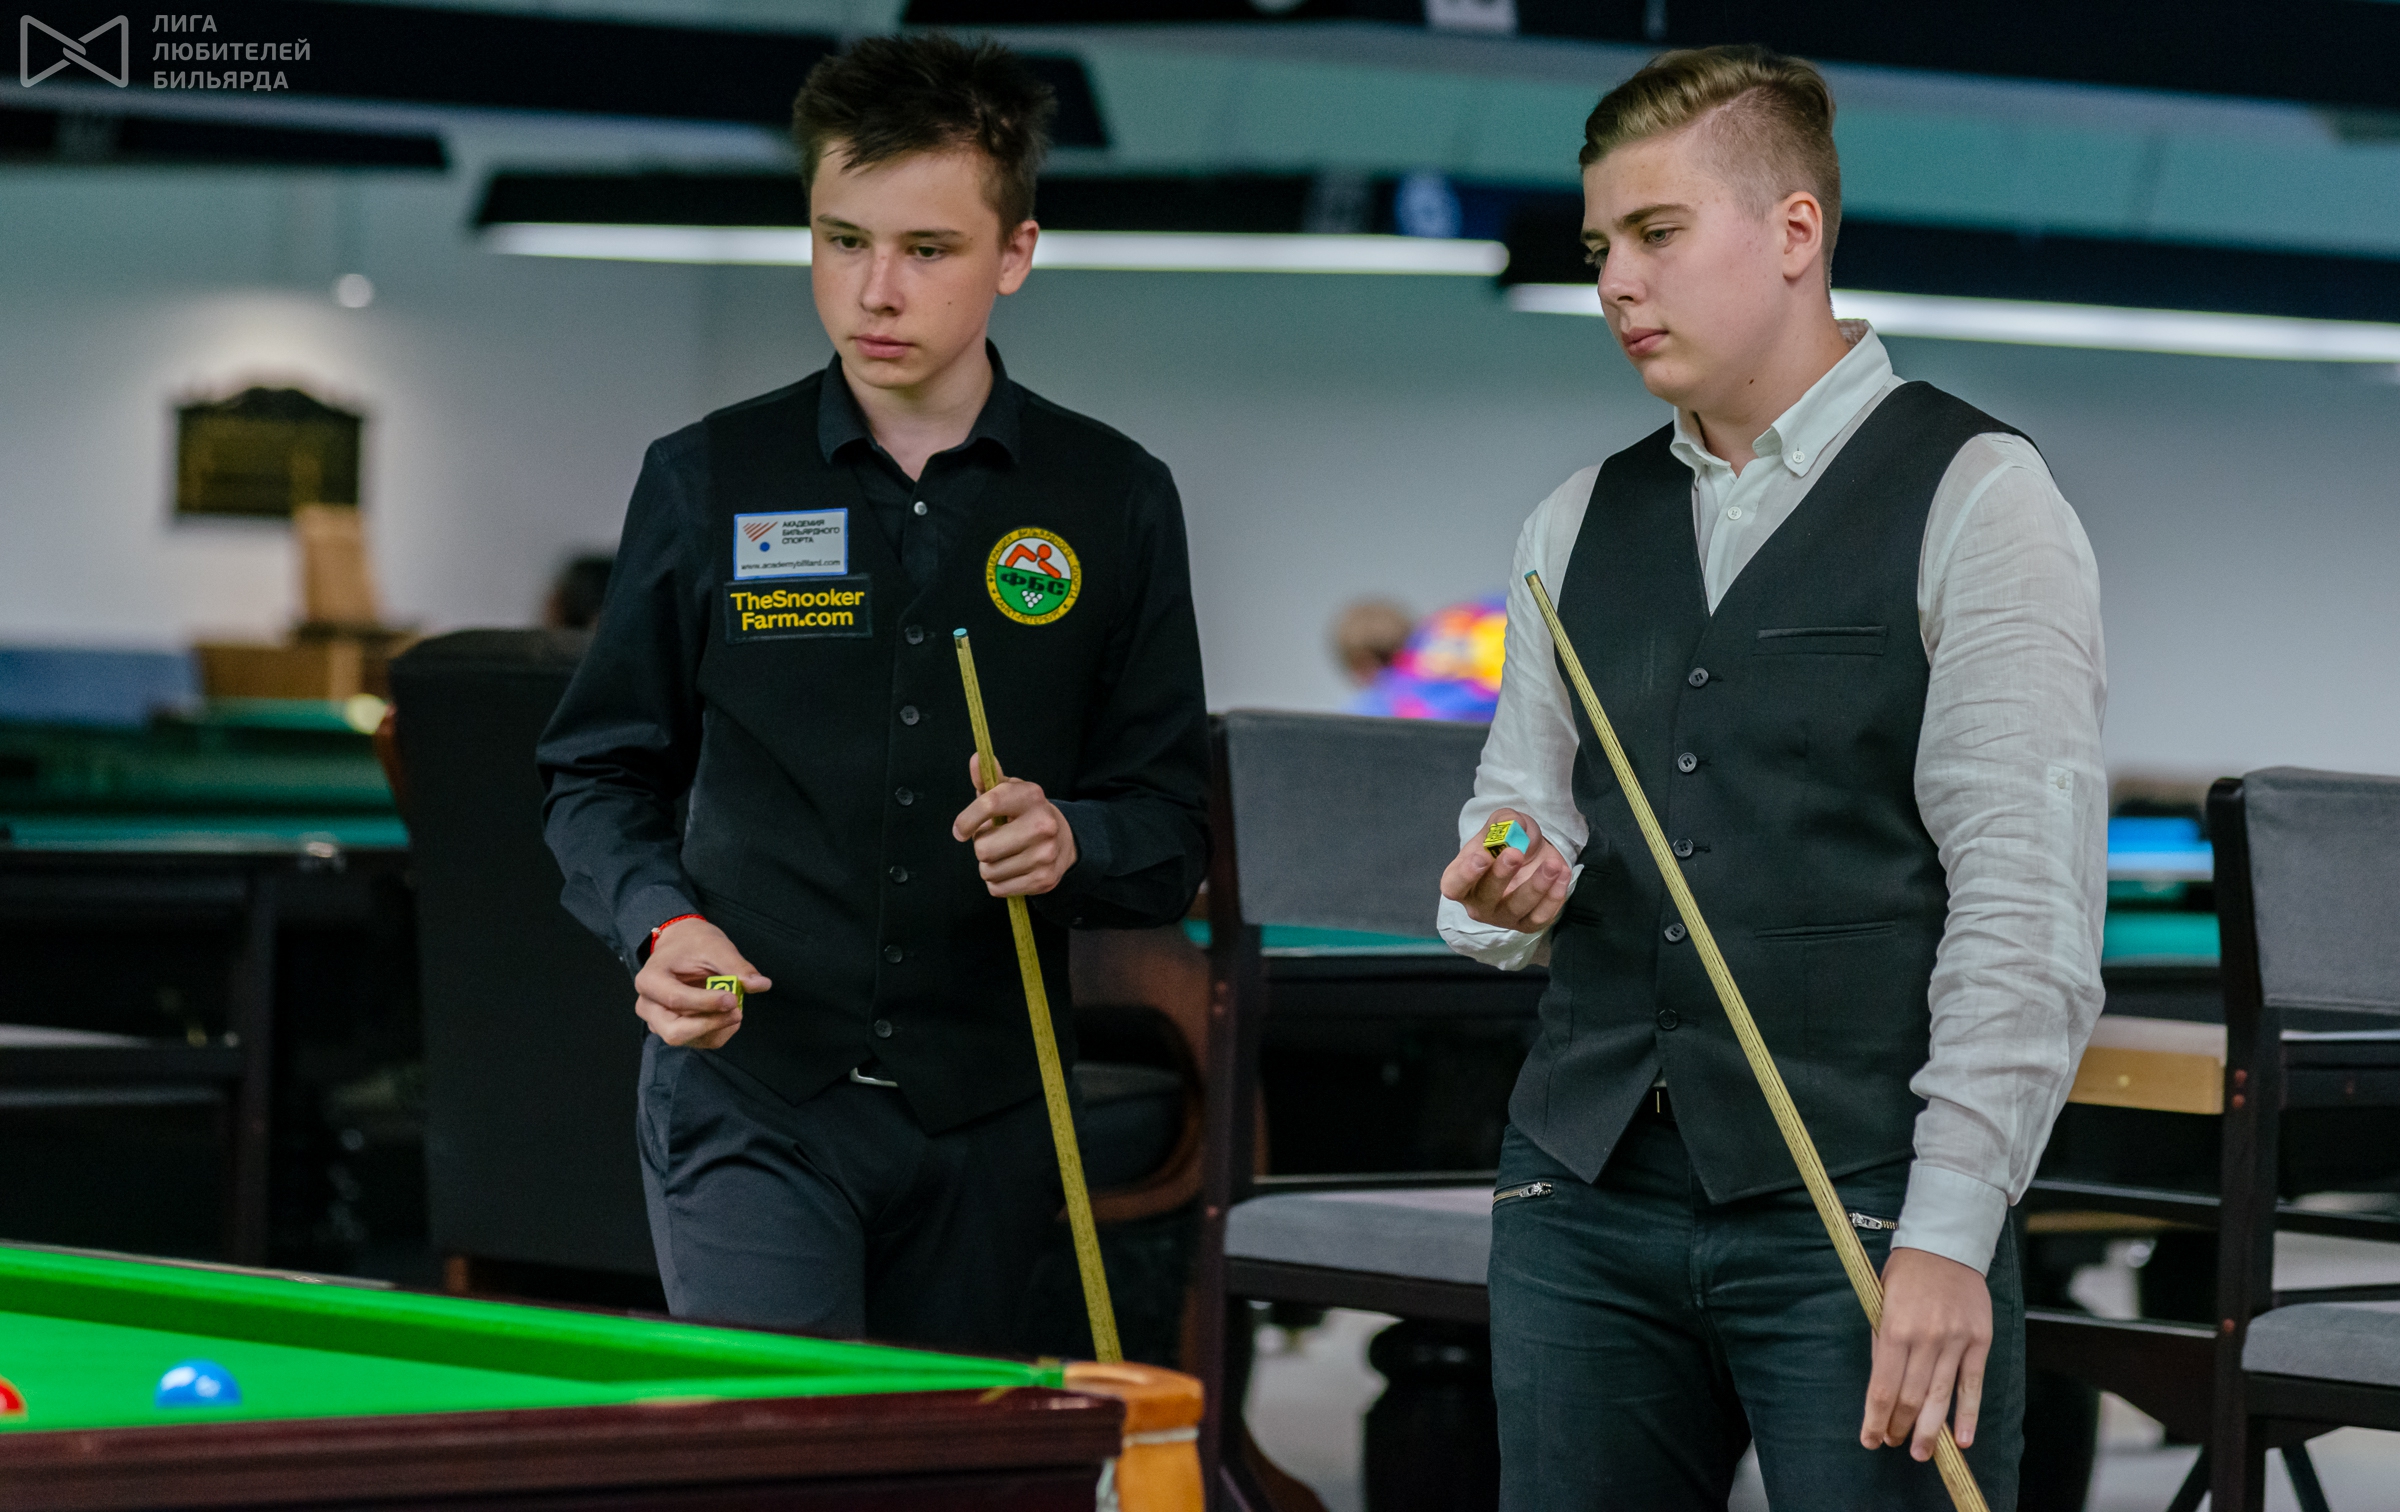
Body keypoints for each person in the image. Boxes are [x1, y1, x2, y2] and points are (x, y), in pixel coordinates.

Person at [1436, 45, 2106, 1511]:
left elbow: (2026, 910)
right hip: (1580, 1196)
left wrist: (1949, 1232)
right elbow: (1518, 817)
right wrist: (1501, 879)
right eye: (1600, 247)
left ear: (1796, 230)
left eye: (1658, 234)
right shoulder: (1572, 521)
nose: (1618, 282)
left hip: (1859, 1205)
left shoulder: (1984, 499)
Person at [536, 34, 1211, 1354]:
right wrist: (660, 924)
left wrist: (1075, 838)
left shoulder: (1112, 497)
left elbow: (1167, 826)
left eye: (927, 249)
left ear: (1015, 253)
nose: (874, 290)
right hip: (753, 1091)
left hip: (990, 1112)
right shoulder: (708, 477)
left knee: (944, 1455)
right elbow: (597, 771)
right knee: (785, 1442)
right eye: (842, 241)